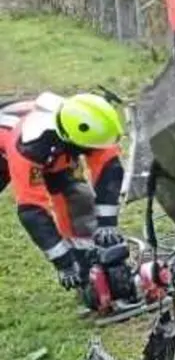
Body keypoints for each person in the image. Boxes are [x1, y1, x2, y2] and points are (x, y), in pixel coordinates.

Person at [0, 92, 126, 290]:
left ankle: (89, 266)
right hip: (10, 148)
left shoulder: (87, 123)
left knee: (78, 198)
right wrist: (63, 263)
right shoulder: (29, 146)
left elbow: (109, 169)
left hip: (54, 151)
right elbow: (32, 211)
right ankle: (76, 264)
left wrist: (107, 224)